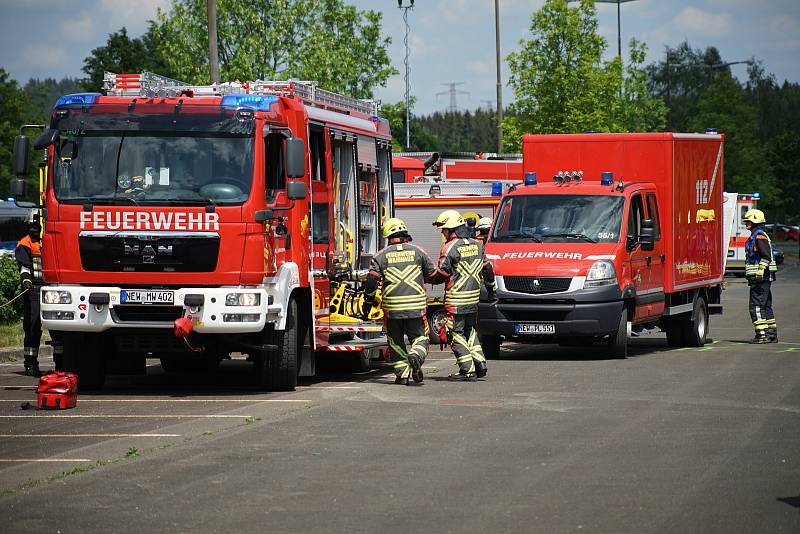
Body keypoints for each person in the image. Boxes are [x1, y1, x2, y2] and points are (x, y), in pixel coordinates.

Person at [362, 218, 436, 385]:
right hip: (416, 307)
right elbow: (432, 274)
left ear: (388, 236)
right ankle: (416, 355)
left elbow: (372, 282)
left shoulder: (380, 256)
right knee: (421, 338)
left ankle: (402, 375)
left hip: (392, 309)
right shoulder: (419, 251)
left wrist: (367, 305)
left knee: (395, 341)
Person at [432, 210, 497, 380]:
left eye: (444, 229)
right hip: (473, 299)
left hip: (456, 300)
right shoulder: (478, 245)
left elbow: (443, 274)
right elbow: (488, 270)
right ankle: (480, 363)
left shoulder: (448, 248)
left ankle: (466, 368)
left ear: (452, 229)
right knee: (470, 331)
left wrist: (427, 277)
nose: (442, 233)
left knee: (455, 333)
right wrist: (492, 291)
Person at [743, 209, 778, 343]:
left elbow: (766, 256)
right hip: (764, 277)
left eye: (748, 221)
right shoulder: (759, 235)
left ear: (755, 221)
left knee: (756, 306)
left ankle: (761, 335)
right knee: (766, 305)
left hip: (761, 277)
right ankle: (771, 334)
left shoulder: (759, 236)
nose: (746, 223)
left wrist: (760, 270)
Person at [15, 215, 43, 376]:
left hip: (50, 289)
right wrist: (26, 282)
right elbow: (24, 267)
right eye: (32, 225)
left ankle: (60, 362)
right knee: (32, 326)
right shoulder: (24, 243)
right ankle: (30, 362)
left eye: (36, 225)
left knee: (57, 329)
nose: (34, 228)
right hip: (33, 291)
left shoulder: (45, 241)